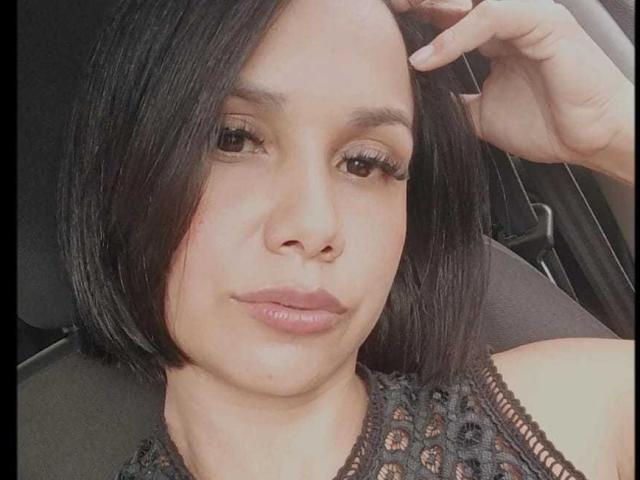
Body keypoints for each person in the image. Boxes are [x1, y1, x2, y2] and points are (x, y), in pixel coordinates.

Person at [56, 0, 634, 479]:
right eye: (233, 138)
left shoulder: (577, 418)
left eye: (365, 163)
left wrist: (614, 135)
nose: (314, 226)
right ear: (124, 171)